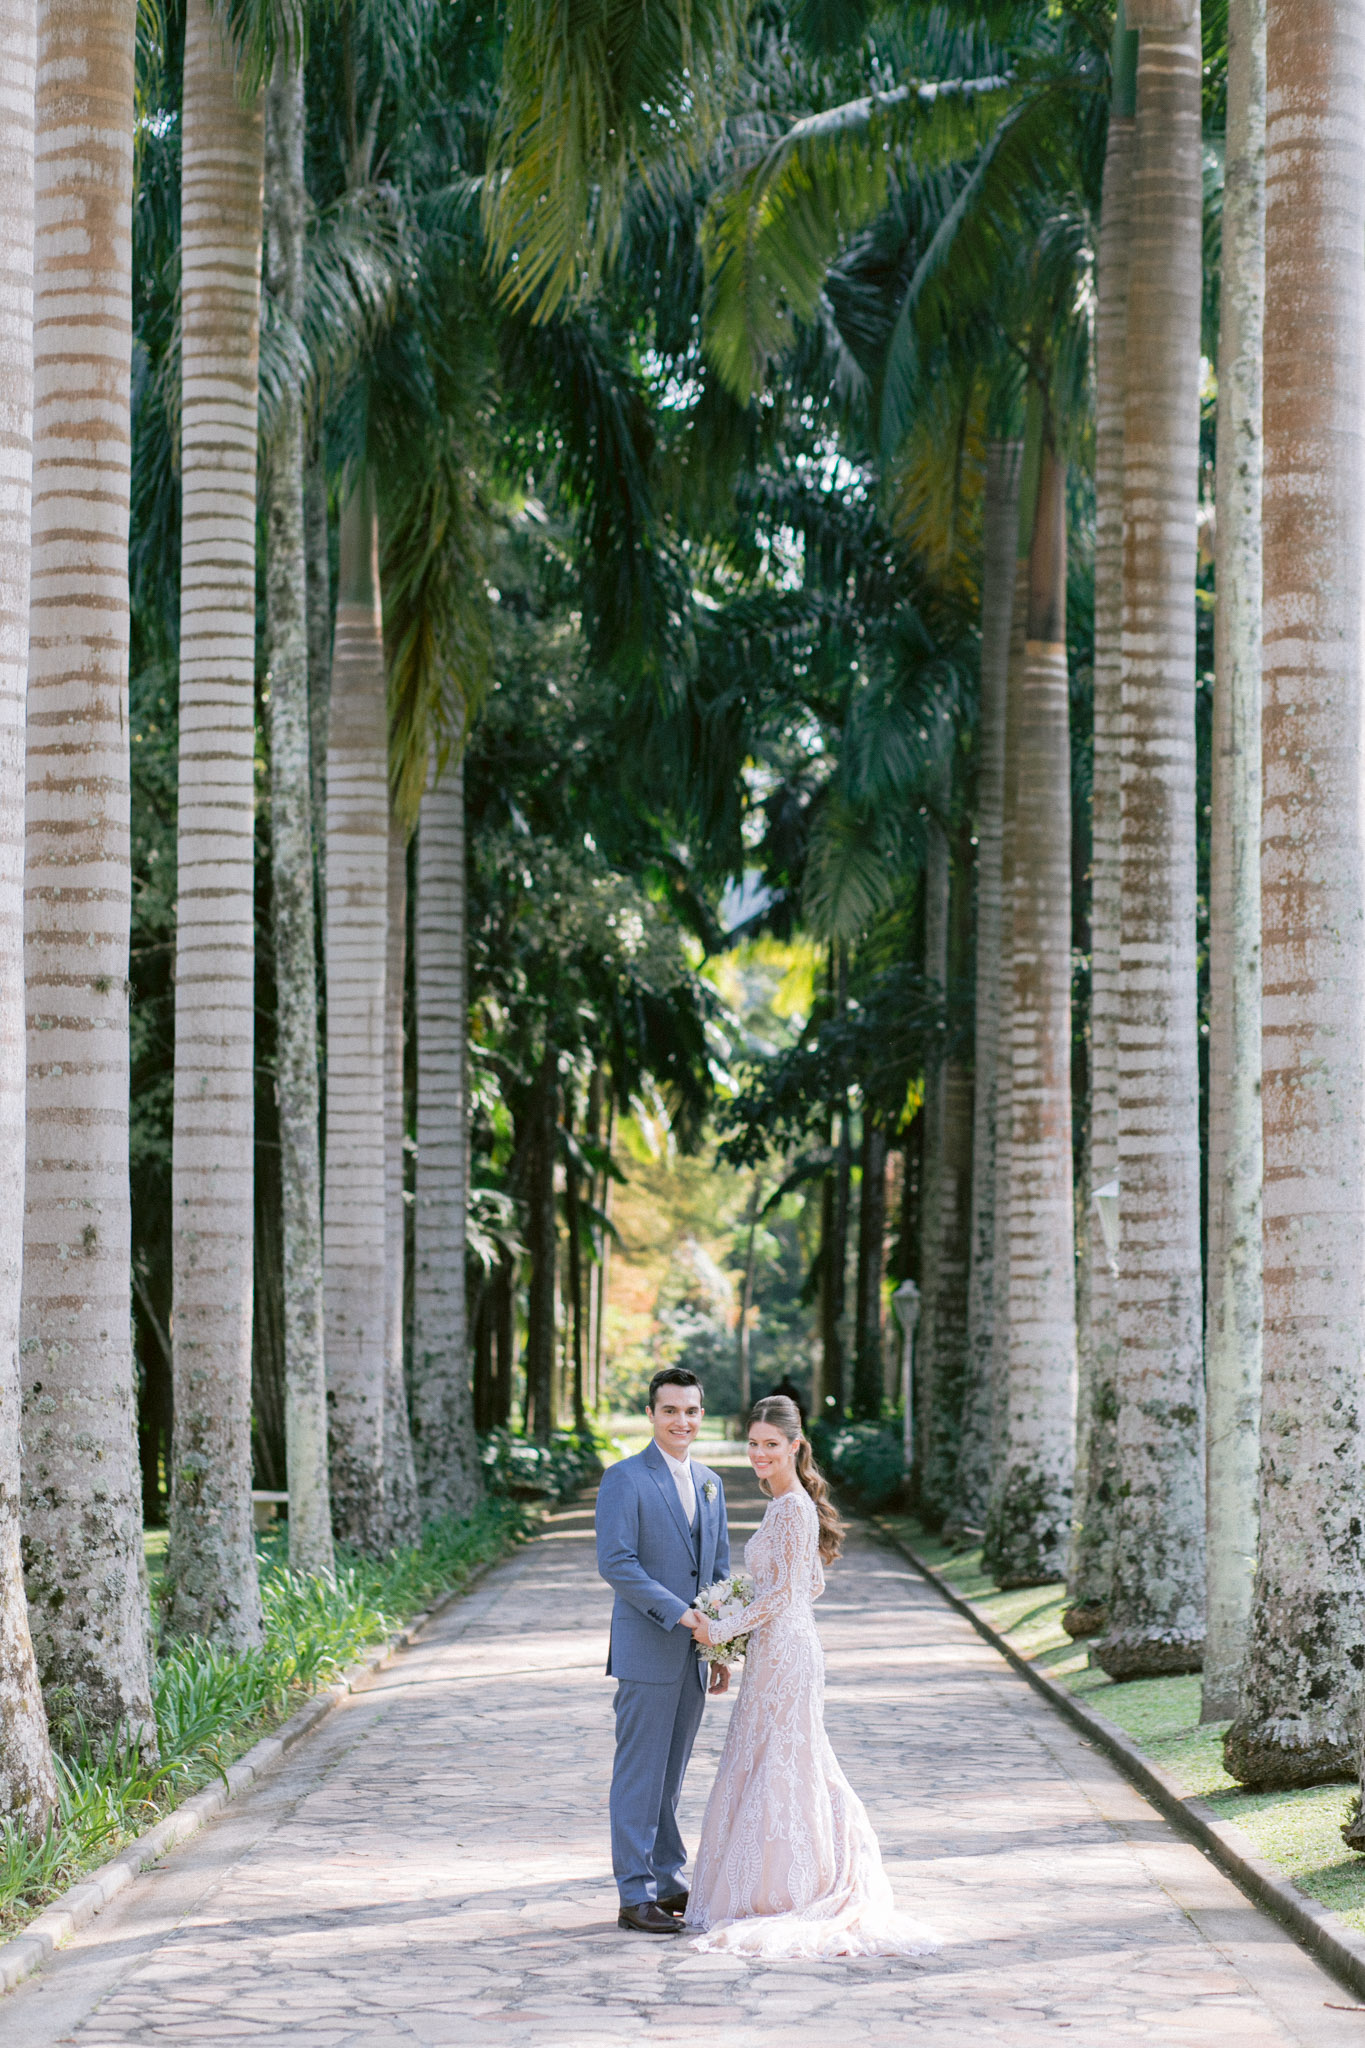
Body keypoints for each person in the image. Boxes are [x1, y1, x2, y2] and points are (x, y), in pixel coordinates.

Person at [684, 1394, 937, 1958]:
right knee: (781, 1755)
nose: (759, 1455)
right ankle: (779, 1876)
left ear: (795, 1446)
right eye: (753, 1444)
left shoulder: (792, 1507)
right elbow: (809, 1587)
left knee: (786, 1757)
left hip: (788, 1654)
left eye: (771, 1445)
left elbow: (784, 1593)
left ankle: (792, 1884)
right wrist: (753, 1623)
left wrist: (721, 1630)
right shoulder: (787, 1506)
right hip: (782, 1645)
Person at [594, 1368, 731, 1935]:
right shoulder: (625, 1479)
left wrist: (720, 1643)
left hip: (695, 1655)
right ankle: (634, 1895)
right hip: (648, 1648)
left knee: (671, 1776)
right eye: (670, 1410)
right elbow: (617, 1563)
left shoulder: (710, 1483)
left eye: (692, 1411)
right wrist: (680, 1614)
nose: (682, 1421)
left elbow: (717, 1570)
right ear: (651, 1414)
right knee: (639, 1774)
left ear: (702, 1415)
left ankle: (669, 1881)